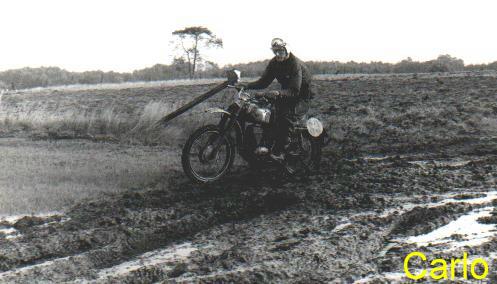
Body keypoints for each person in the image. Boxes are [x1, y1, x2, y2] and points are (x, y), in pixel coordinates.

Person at [238, 38, 313, 163]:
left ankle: (281, 151)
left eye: (281, 51)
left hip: (301, 96)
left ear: (287, 50)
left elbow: (295, 90)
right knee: (268, 113)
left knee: (284, 115)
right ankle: (265, 145)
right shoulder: (274, 63)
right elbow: (263, 81)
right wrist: (247, 85)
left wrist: (278, 93)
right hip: (287, 93)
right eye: (275, 51)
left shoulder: (294, 64)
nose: (278, 54)